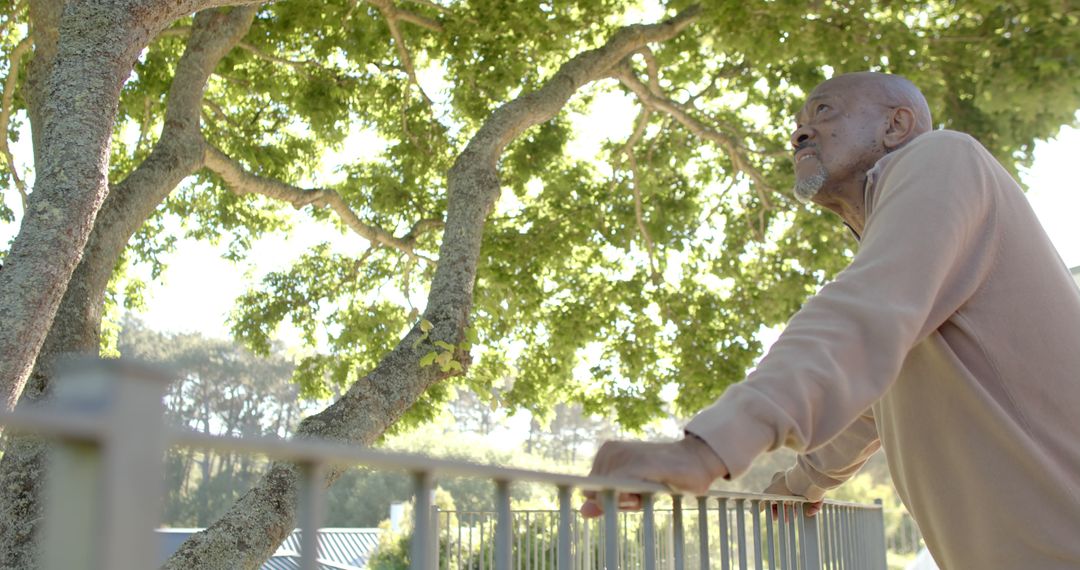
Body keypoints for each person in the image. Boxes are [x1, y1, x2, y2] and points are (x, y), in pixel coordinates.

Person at [582, 72, 1080, 569]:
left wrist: (705, 450)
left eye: (824, 112)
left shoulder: (945, 156)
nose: (799, 132)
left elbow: (865, 314)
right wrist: (803, 484)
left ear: (896, 125)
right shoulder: (913, 278)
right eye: (797, 123)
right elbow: (874, 402)